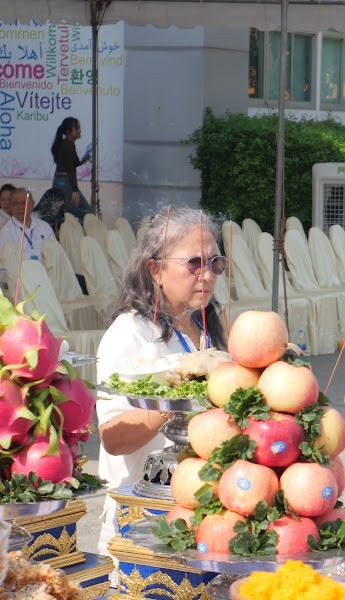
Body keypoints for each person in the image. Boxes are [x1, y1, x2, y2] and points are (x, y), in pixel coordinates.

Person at [95, 207, 228, 558]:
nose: (207, 275)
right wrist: (176, 400)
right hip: (146, 516)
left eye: (215, 264)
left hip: (204, 508)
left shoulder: (206, 327)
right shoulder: (129, 333)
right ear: (156, 270)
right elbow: (113, 438)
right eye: (194, 263)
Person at [0, 188, 56, 285]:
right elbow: (3, 269)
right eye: (15, 203)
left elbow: (55, 256)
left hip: (48, 279)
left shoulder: (44, 227)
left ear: (33, 204)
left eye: (24, 203)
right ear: (10, 206)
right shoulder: (6, 233)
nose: (20, 207)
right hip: (21, 284)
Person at [51, 116, 92, 223]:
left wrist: (84, 160)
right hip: (65, 183)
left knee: (68, 212)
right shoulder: (69, 146)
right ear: (69, 132)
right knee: (86, 212)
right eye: (77, 128)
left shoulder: (66, 144)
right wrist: (75, 190)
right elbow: (70, 170)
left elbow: (72, 164)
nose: (80, 130)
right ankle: (81, 233)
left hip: (60, 181)